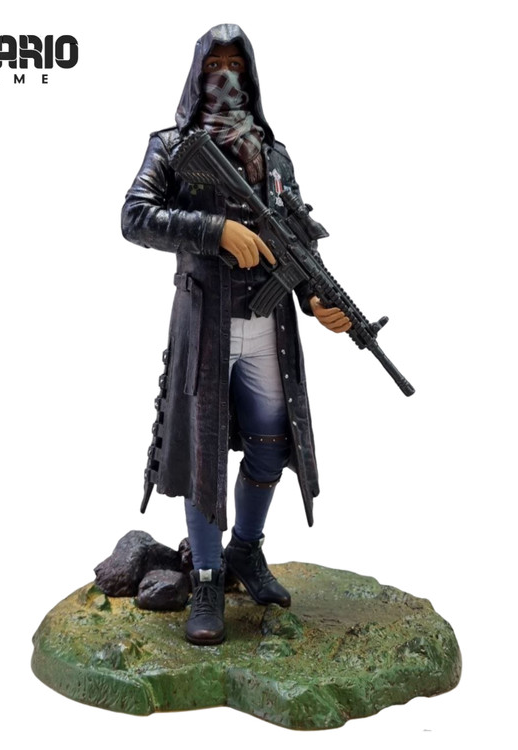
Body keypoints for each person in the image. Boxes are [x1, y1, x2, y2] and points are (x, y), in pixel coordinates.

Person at [121, 24, 350, 645]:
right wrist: (215, 230)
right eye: (213, 63)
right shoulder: (172, 147)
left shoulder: (275, 155)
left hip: (268, 327)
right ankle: (205, 575)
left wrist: (318, 300)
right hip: (206, 325)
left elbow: (297, 242)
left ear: (250, 72)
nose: (225, 75)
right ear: (198, 72)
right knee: (202, 455)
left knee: (271, 447)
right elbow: (135, 216)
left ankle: (245, 549)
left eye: (236, 64)